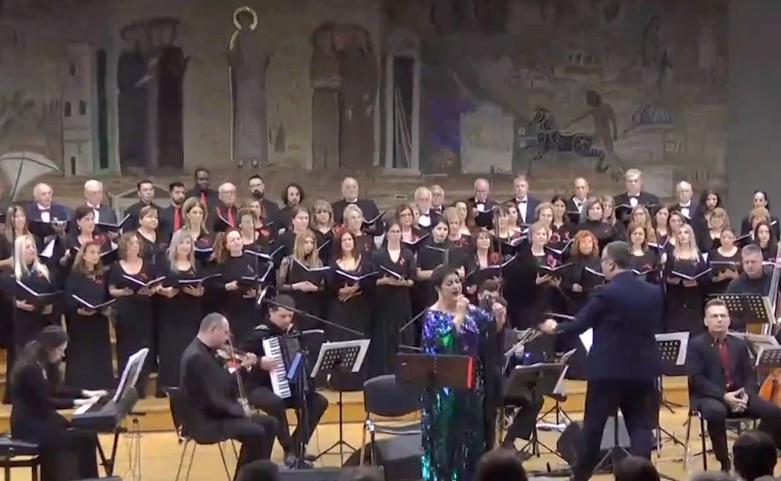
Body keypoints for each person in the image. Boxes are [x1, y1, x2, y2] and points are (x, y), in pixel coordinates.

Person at [540, 241, 661, 481]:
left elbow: (580, 324)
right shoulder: (653, 292)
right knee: (640, 425)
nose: (602, 266)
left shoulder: (605, 293)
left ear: (611, 264)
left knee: (594, 428)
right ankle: (642, 476)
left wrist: (555, 328)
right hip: (642, 368)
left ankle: (581, 477)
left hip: (608, 371)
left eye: (603, 261)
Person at [420, 266, 507, 481]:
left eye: (457, 282)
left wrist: (498, 317)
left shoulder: (471, 310)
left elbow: (489, 329)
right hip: (444, 392)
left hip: (472, 386)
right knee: (446, 443)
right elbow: (439, 346)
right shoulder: (432, 316)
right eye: (449, 283)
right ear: (438, 289)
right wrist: (458, 317)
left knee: (472, 440)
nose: (455, 286)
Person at [685, 299, 781, 472]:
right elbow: (697, 380)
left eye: (723, 316)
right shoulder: (696, 345)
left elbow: (749, 377)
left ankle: (748, 451)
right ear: (706, 321)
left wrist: (746, 395)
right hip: (710, 396)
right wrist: (725, 397)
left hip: (739, 394)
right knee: (716, 413)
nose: (719, 320)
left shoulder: (739, 344)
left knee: (773, 411)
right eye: (714, 316)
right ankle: (724, 463)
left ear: (729, 320)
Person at [179, 313, 278, 478]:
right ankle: (245, 477)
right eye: (225, 333)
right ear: (213, 329)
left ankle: (254, 477)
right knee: (257, 432)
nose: (227, 338)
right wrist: (241, 411)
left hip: (215, 413)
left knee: (270, 423)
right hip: (205, 421)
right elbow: (213, 401)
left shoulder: (206, 353)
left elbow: (222, 384)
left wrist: (243, 368)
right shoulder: (197, 357)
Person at [240, 294, 329, 467]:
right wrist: (259, 362)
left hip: (288, 386)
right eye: (283, 316)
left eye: (290, 316)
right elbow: (237, 357)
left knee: (318, 402)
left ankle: (298, 445)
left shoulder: (294, 332)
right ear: (271, 313)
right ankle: (289, 449)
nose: (287, 320)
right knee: (276, 403)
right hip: (259, 386)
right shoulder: (259, 334)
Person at [9, 326, 105, 481]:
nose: (63, 354)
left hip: (42, 418)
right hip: (29, 426)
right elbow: (46, 401)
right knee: (84, 438)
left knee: (86, 433)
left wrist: (84, 392)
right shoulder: (30, 369)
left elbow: (54, 390)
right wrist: (79, 402)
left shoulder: (43, 363)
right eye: (61, 350)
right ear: (50, 348)